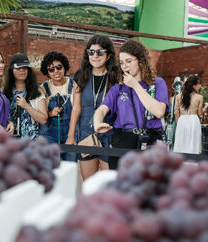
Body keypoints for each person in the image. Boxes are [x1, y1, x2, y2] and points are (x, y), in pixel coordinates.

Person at [93, 39, 169, 170]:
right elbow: (101, 110)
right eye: (121, 63)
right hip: (123, 140)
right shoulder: (118, 89)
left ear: (141, 60)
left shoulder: (157, 83)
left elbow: (159, 111)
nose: (124, 66)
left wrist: (135, 85)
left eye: (129, 61)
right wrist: (97, 123)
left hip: (150, 140)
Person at [66, 35, 118, 180]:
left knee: (109, 184)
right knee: (89, 184)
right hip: (86, 135)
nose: (95, 56)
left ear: (108, 56)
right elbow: (76, 108)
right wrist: (71, 136)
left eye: (100, 52)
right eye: (91, 52)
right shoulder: (81, 76)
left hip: (109, 135)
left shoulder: (115, 76)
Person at [39, 51, 75, 161]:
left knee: (70, 167)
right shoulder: (43, 88)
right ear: (47, 72)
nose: (56, 71)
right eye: (51, 69)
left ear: (64, 67)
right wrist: (51, 113)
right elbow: (40, 114)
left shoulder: (74, 84)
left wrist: (72, 135)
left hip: (71, 132)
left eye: (59, 67)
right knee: (51, 167)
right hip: (50, 134)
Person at [3, 53, 47, 140]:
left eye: (25, 68)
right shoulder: (3, 91)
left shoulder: (37, 92)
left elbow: (43, 119)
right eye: (18, 68)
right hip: (8, 141)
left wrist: (26, 106)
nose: (22, 70)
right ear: (11, 70)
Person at [173, 76, 203, 154]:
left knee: (181, 142)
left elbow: (176, 113)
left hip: (182, 120)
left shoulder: (178, 97)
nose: (200, 86)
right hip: (194, 121)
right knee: (193, 142)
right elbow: (200, 113)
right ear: (194, 85)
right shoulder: (200, 97)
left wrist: (178, 123)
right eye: (199, 84)